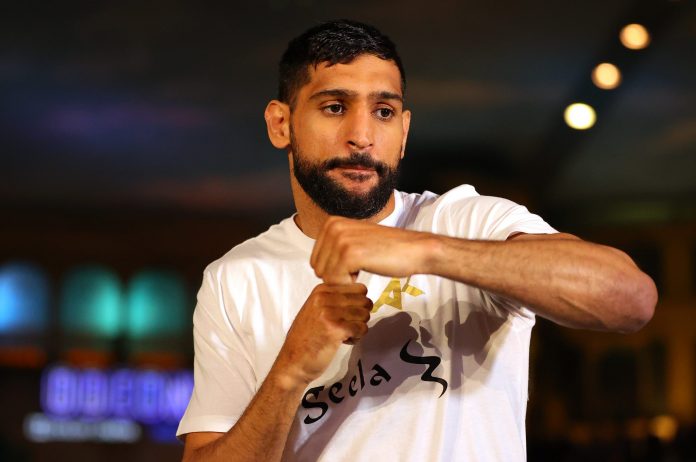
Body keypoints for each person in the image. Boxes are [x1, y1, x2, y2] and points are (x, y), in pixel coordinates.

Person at [177, 19, 657, 461]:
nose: (362, 135)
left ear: (404, 132)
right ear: (281, 123)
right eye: (335, 107)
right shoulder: (234, 278)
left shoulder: (466, 221)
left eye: (383, 111)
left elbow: (631, 299)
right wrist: (289, 373)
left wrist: (428, 250)